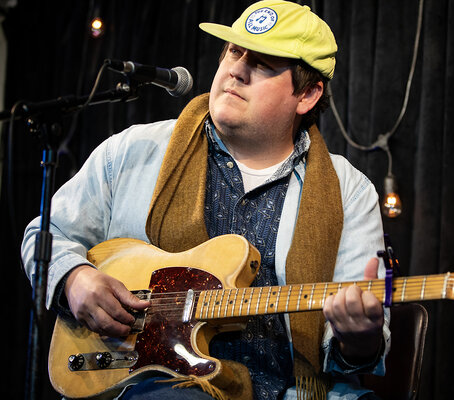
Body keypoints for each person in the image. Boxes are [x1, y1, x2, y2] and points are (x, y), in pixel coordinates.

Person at [21, 1, 390, 399]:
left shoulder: (351, 193)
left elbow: (358, 351)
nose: (237, 70)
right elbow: (46, 234)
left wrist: (359, 338)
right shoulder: (132, 151)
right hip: (149, 385)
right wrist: (75, 278)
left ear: (307, 94)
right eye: (234, 51)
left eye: (262, 63)